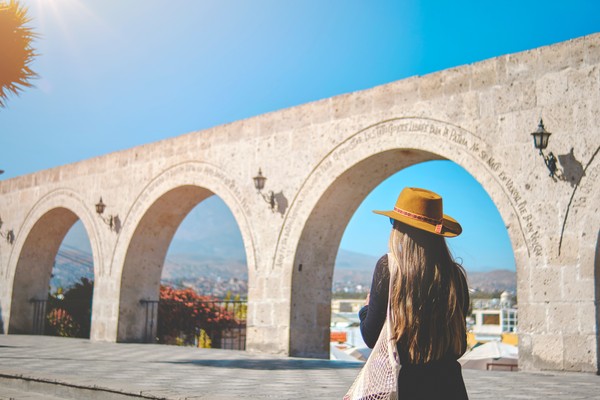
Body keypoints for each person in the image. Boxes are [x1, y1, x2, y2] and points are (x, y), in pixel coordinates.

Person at [359, 187, 470, 400]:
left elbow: (372, 338)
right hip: (450, 388)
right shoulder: (456, 276)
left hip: (405, 387)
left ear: (401, 229)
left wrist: (366, 309)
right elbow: (459, 347)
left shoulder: (388, 268)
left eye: (393, 222)